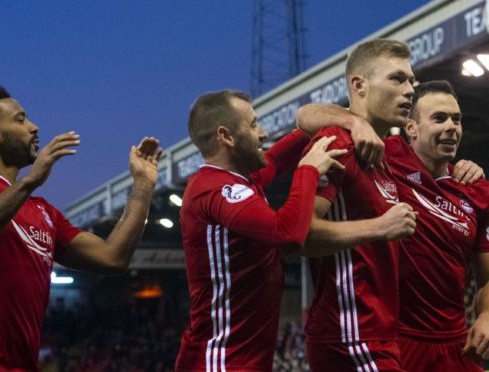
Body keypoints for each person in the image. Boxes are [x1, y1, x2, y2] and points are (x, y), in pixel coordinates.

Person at [0, 86, 161, 371]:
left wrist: (142, 186)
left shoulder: (44, 212)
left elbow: (113, 258)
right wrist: (30, 181)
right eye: (20, 119)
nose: (34, 127)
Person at [297, 79, 489, 371]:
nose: (452, 126)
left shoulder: (477, 191)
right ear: (411, 128)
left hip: (456, 345)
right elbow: (305, 116)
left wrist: (487, 314)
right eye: (439, 118)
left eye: (457, 119)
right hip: (395, 341)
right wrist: (355, 122)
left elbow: (486, 278)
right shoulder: (385, 157)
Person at [175, 90, 347, 371]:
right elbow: (287, 235)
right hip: (220, 362)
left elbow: (281, 156)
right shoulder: (215, 189)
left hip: (244, 361)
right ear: (227, 136)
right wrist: (308, 170)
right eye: (253, 124)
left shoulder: (241, 180)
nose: (263, 133)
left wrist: (346, 121)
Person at [297, 39, 419, 371]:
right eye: (397, 79)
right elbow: (301, 235)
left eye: (412, 81)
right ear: (359, 85)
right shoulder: (337, 142)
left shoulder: (382, 153)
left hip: (380, 332)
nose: (410, 90)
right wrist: (381, 227)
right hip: (351, 335)